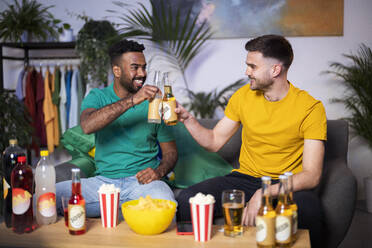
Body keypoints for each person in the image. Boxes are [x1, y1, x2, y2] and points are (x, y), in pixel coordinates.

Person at [175, 34, 326, 247]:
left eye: (252, 66)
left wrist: (265, 193)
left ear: (275, 70)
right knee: (186, 200)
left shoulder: (310, 108)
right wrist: (188, 119)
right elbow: (214, 140)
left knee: (309, 211)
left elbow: (312, 175)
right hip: (245, 179)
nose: (247, 72)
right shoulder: (243, 96)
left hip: (285, 184)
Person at [56, 39, 178, 217]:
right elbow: (88, 126)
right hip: (103, 184)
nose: (142, 73)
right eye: (135, 67)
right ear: (117, 71)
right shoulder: (97, 96)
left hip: (143, 184)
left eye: (144, 67)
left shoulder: (154, 103)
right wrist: (133, 100)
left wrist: (158, 172)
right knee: (44, 197)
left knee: (167, 209)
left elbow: (171, 152)